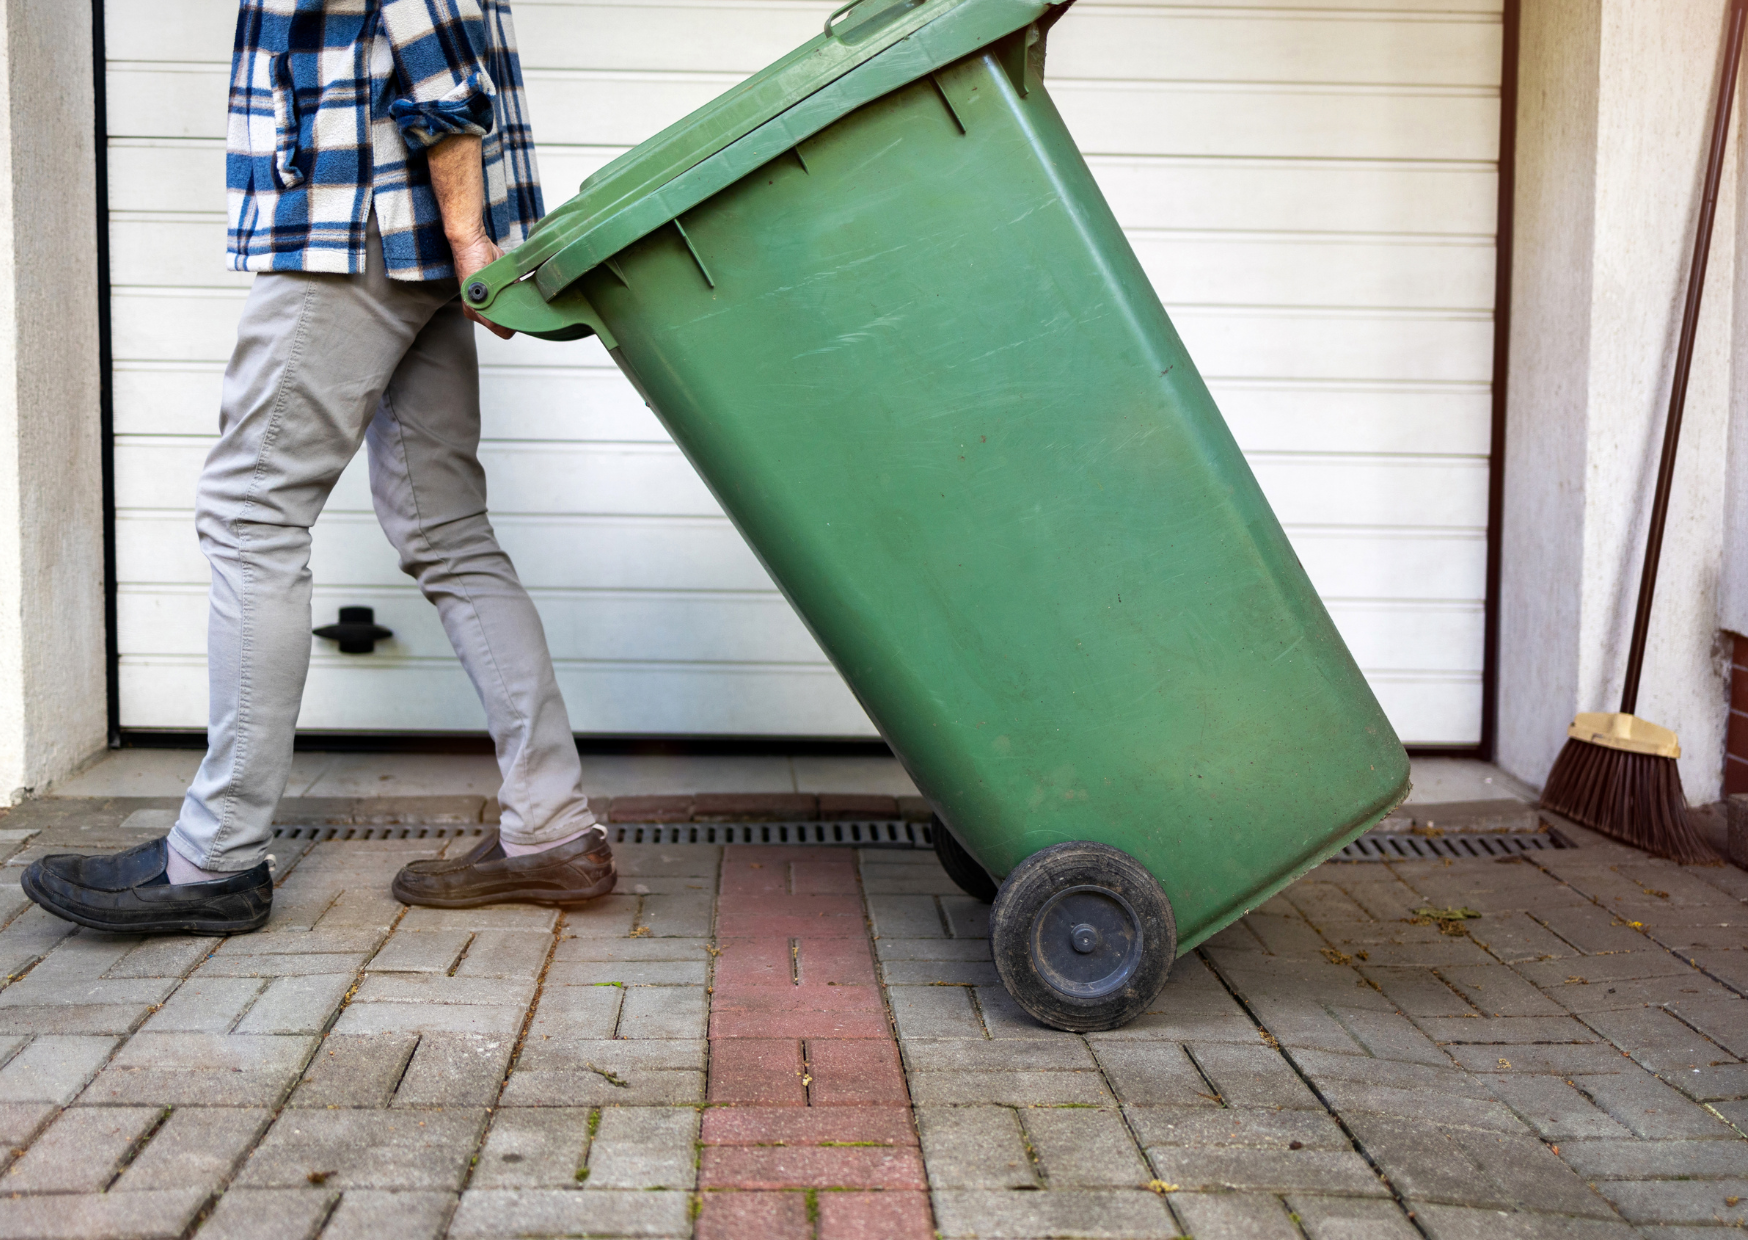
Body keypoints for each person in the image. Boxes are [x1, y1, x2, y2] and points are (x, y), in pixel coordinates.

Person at [21, 0, 614, 935]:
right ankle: (550, 829)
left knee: (249, 516)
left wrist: (469, 237)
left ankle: (214, 858)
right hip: (408, 232)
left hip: (355, 225)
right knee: (449, 531)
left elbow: (439, 56)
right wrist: (464, 235)